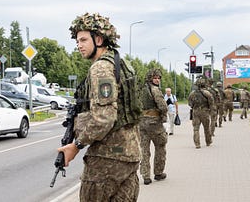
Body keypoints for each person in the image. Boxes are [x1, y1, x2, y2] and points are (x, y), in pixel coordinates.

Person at [57, 12, 141, 201]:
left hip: (106, 159)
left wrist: (76, 145)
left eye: (84, 40)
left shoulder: (100, 68)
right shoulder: (122, 63)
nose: (79, 45)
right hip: (130, 153)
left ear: (99, 39)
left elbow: (104, 117)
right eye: (77, 41)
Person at [139, 68, 168, 185]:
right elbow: (163, 106)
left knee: (144, 150)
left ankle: (145, 175)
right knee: (160, 146)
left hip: (142, 123)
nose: (157, 80)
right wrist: (164, 116)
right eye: (155, 78)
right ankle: (158, 173)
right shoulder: (155, 90)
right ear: (150, 78)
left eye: (158, 78)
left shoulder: (140, 90)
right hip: (154, 123)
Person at [188, 78, 214, 149]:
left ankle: (197, 144)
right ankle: (208, 142)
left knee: (196, 129)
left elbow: (189, 103)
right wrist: (210, 111)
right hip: (205, 112)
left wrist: (194, 106)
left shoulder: (192, 93)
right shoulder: (207, 93)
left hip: (195, 112)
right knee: (206, 128)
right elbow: (211, 103)